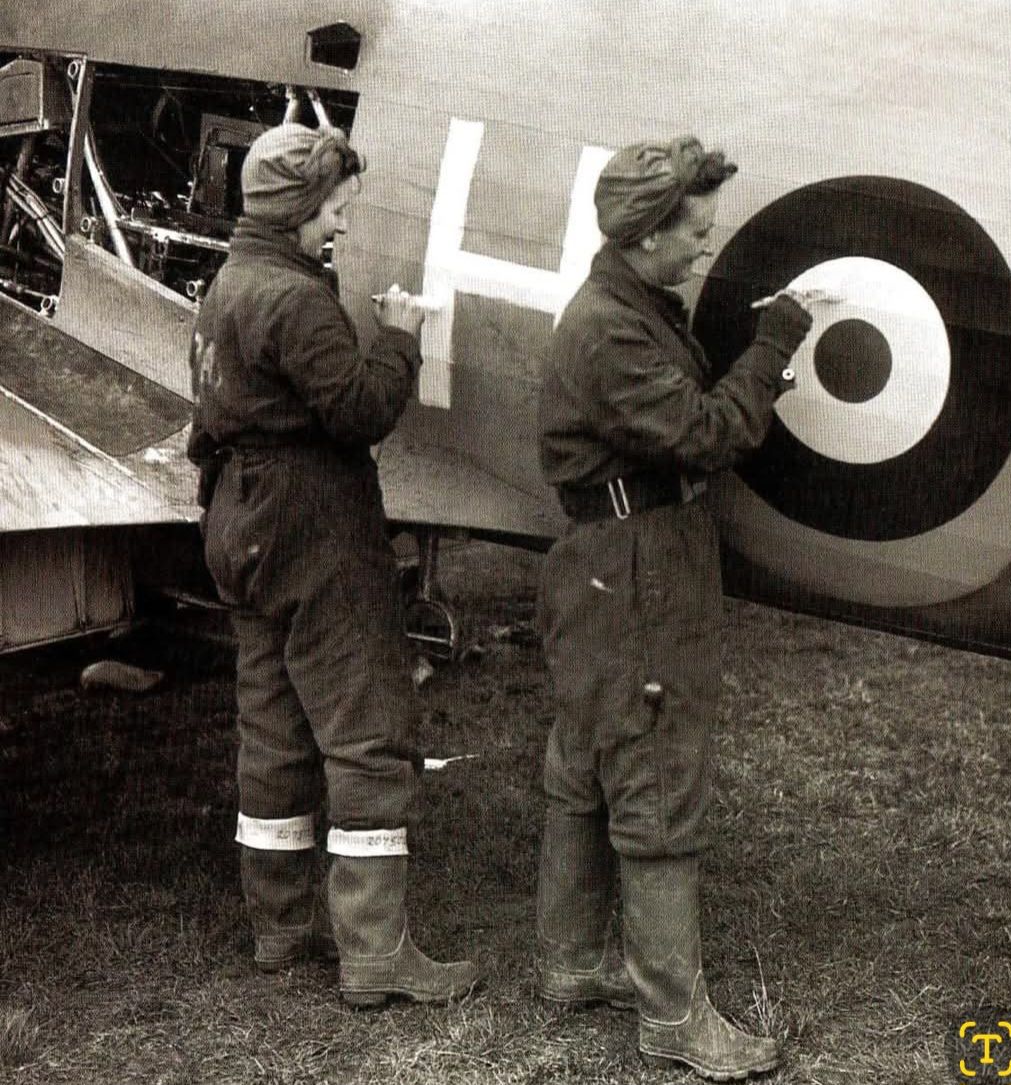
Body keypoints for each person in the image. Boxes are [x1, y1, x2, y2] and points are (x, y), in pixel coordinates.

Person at [535, 136, 812, 1079]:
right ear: (647, 233)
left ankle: (572, 961)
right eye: (693, 231)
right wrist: (775, 346)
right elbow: (702, 434)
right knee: (654, 764)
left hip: (612, 557)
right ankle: (672, 1021)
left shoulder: (628, 303)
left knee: (588, 754)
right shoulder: (610, 328)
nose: (705, 245)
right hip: (636, 560)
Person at [187, 122, 475, 1007]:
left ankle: (279, 930)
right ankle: (375, 955)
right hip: (314, 522)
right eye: (334, 212)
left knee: (270, 726)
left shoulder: (227, 285)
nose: (341, 228)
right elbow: (356, 410)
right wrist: (397, 336)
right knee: (368, 729)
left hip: (239, 518)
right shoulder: (295, 298)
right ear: (296, 211)